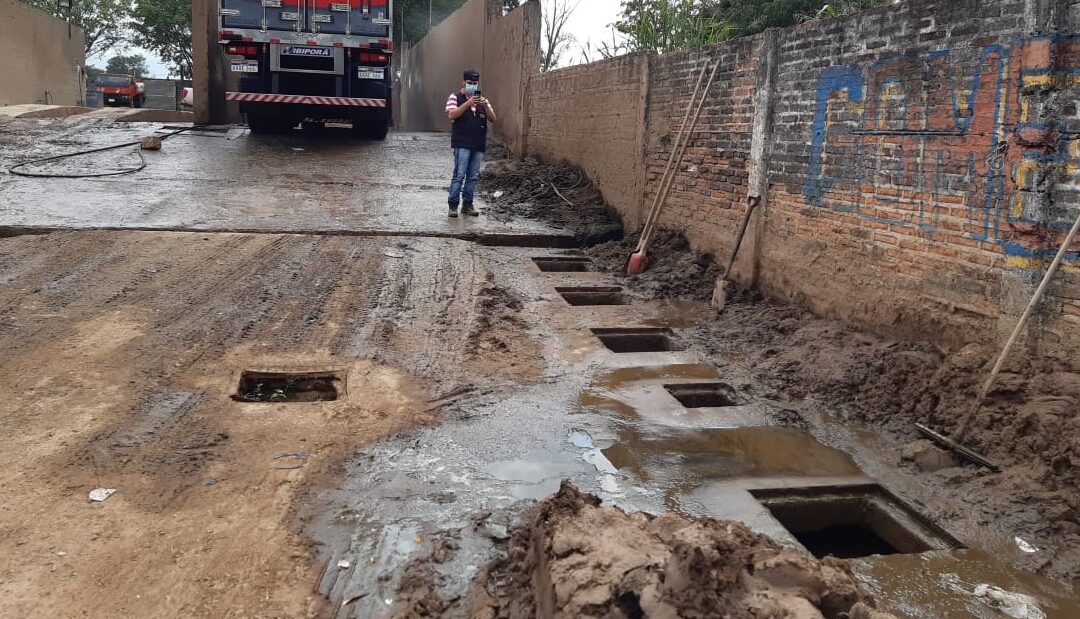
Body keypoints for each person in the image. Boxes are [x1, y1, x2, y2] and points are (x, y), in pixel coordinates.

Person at [444, 68, 496, 217]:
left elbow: (493, 119)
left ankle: (468, 205)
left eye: (475, 83)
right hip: (462, 143)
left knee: (472, 176)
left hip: (478, 144)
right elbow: (451, 115)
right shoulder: (455, 97)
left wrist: (485, 106)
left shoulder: (483, 101)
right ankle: (453, 205)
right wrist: (467, 103)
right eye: (470, 83)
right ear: (464, 82)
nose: (472, 85)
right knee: (459, 174)